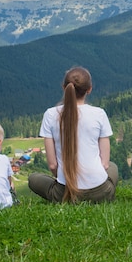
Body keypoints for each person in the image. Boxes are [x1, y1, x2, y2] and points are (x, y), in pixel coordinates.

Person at [28, 66, 118, 203]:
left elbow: (53, 165)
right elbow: (105, 164)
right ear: (89, 89)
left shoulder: (50, 114)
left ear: (64, 87)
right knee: (113, 167)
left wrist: (64, 178)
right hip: (100, 193)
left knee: (33, 178)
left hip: (65, 193)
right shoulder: (99, 114)